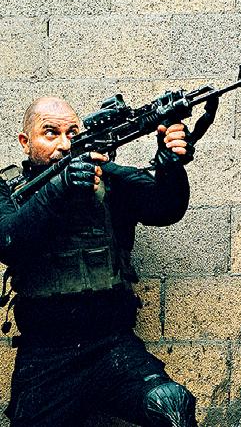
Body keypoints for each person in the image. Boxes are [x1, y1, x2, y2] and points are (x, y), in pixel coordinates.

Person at [0, 95, 217, 426]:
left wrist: (169, 164)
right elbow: (8, 242)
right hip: (45, 356)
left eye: (72, 133)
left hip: (113, 346)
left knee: (170, 404)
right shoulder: (8, 188)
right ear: (25, 142)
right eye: (50, 133)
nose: (64, 144)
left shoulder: (107, 178)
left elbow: (165, 207)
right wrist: (59, 187)